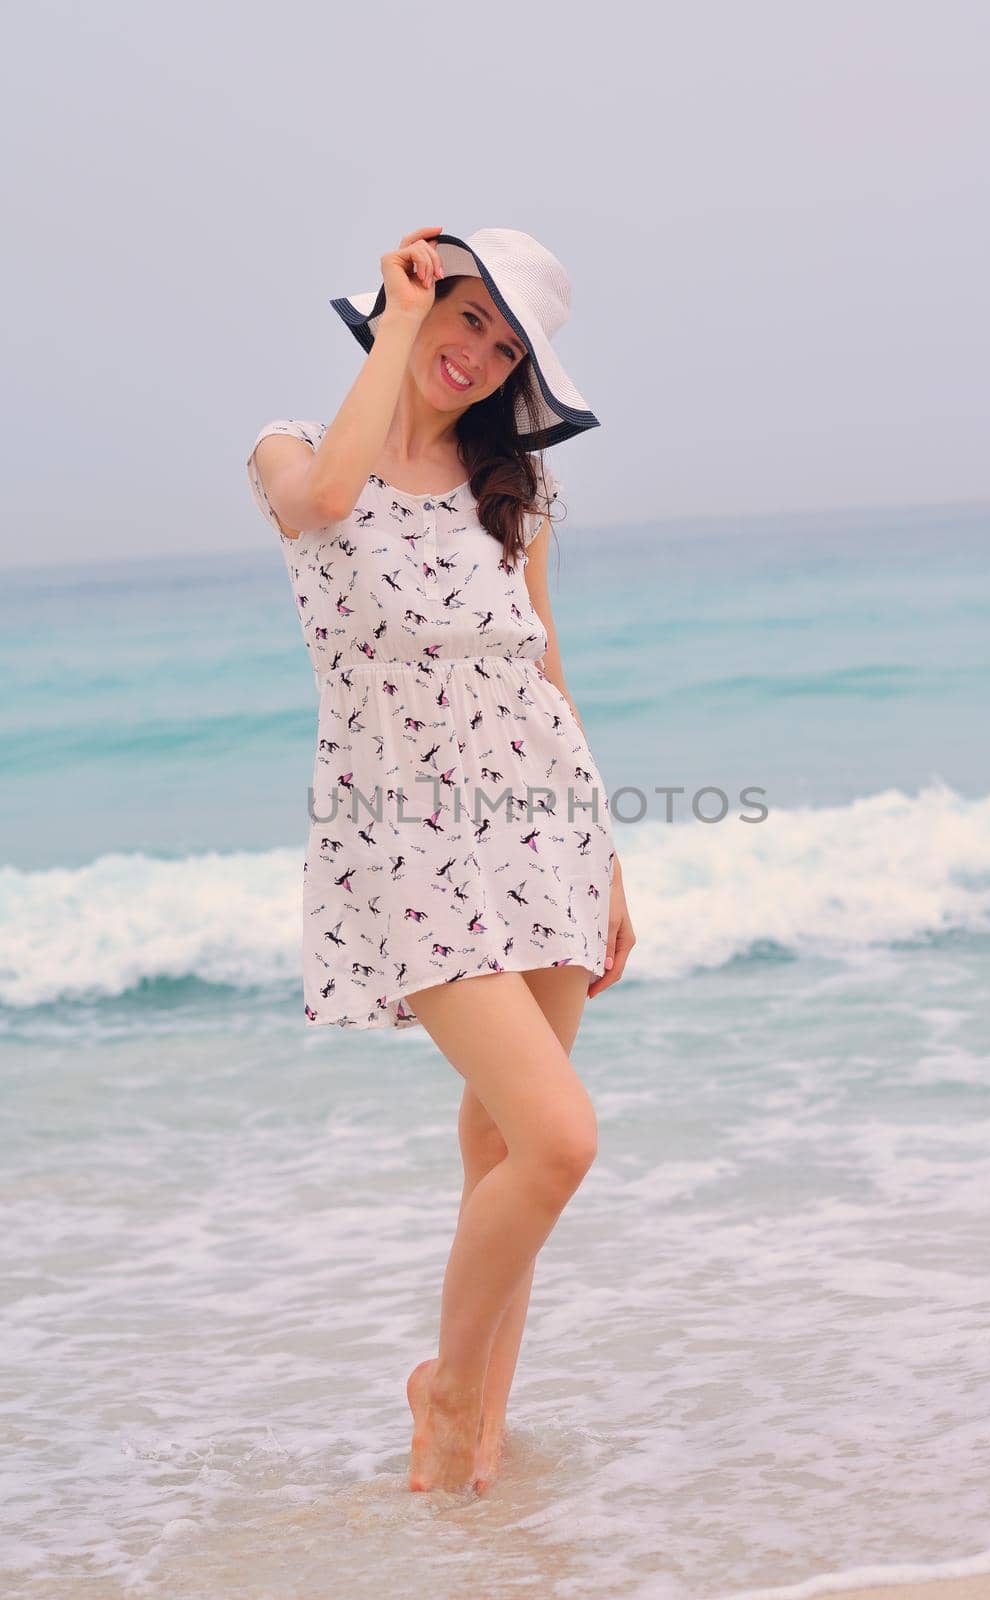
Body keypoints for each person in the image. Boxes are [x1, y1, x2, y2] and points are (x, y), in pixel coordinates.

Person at [245, 225, 637, 1495]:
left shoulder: (504, 492)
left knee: (502, 1156)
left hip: (546, 829)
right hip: (407, 849)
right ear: (410, 307)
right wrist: (404, 317)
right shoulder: (295, 452)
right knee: (560, 1141)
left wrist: (610, 861)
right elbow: (323, 506)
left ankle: (474, 1451)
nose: (475, 353)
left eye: (503, 343)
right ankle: (447, 1384)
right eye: (464, 318)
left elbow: (541, 662)